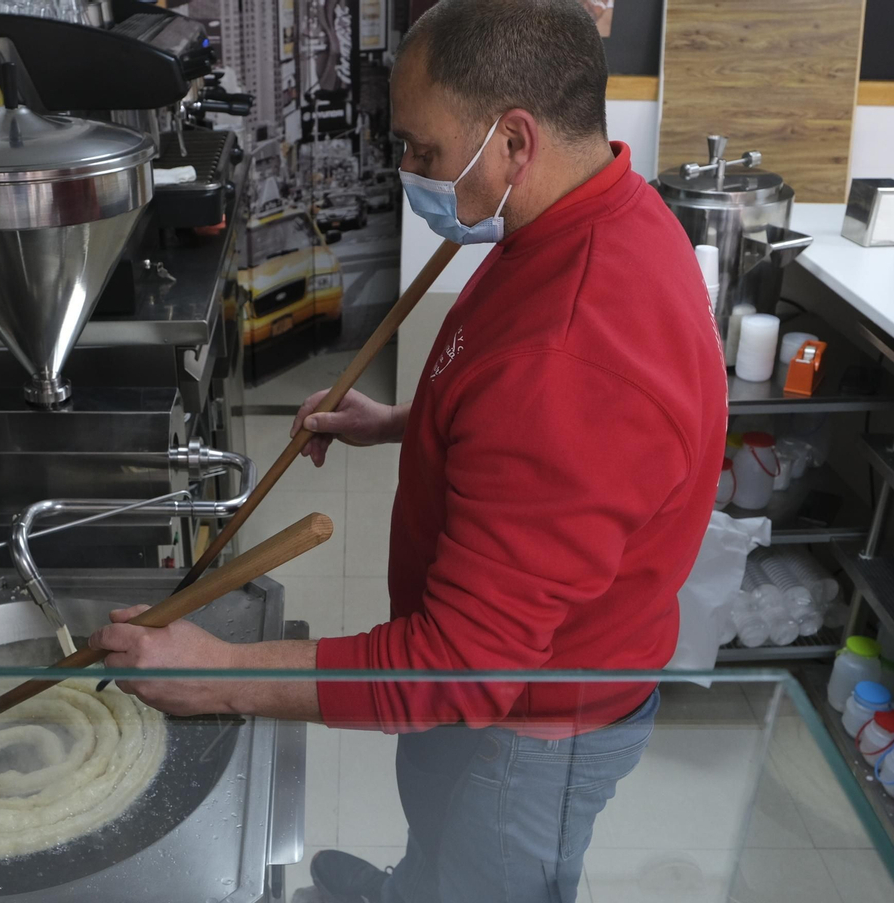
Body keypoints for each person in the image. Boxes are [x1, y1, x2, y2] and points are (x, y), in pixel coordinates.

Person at [88, 0, 728, 899]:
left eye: (423, 150)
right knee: (437, 843)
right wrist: (406, 420)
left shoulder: (574, 355)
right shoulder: (592, 207)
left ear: (515, 140)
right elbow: (525, 426)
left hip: (529, 730)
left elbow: (453, 673)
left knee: (481, 877)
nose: (411, 172)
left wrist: (217, 674)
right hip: (507, 695)